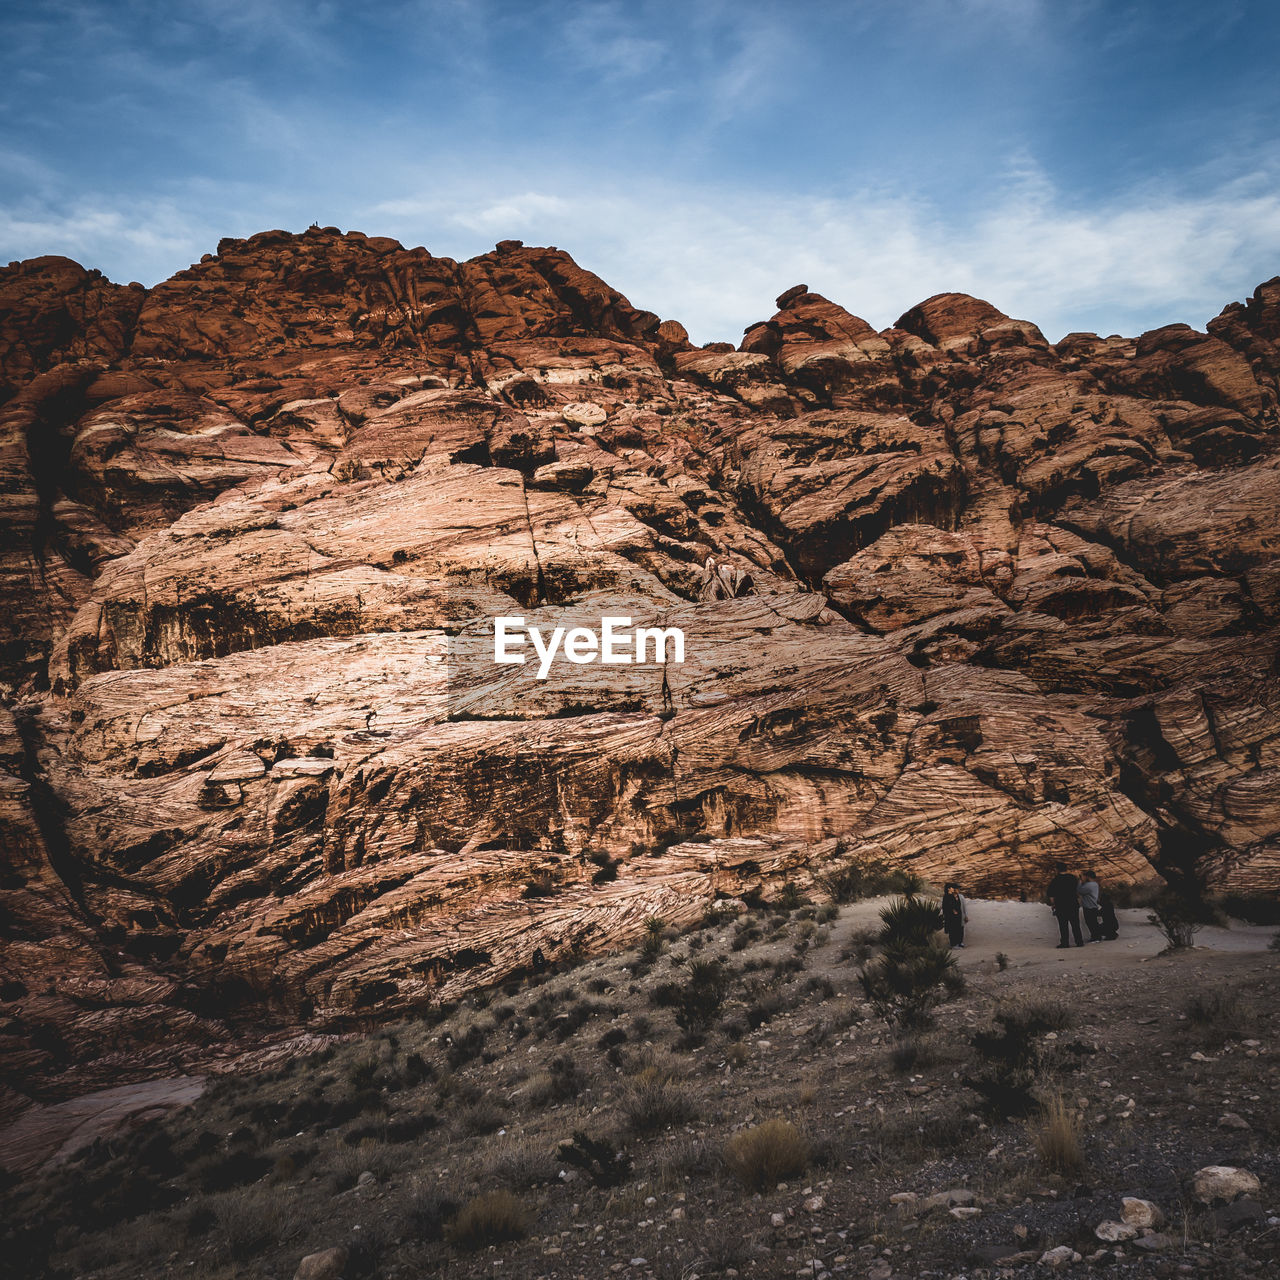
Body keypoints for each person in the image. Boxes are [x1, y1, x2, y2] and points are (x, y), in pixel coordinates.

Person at [1046, 862, 1084, 948]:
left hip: (1061, 904)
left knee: (1063, 925)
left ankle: (1065, 942)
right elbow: (1078, 891)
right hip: (1073, 903)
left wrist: (1053, 904)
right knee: (1075, 924)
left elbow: (1051, 894)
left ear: (1057, 869)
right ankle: (1079, 941)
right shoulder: (1073, 878)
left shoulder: (1055, 880)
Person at [1078, 869, 1103, 942]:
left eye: (1085, 876)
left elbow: (1079, 890)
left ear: (1088, 877)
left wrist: (1080, 881)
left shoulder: (1089, 885)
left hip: (1089, 906)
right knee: (1093, 922)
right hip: (1093, 906)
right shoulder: (1095, 884)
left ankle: (1096, 937)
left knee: (1091, 922)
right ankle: (1095, 936)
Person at [942, 882, 968, 948]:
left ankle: (960, 942)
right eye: (956, 888)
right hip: (951, 917)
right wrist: (952, 911)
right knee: (953, 930)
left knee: (960, 929)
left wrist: (965, 915)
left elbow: (963, 907)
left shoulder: (960, 897)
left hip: (959, 916)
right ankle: (954, 944)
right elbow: (946, 906)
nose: (957, 889)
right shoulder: (948, 897)